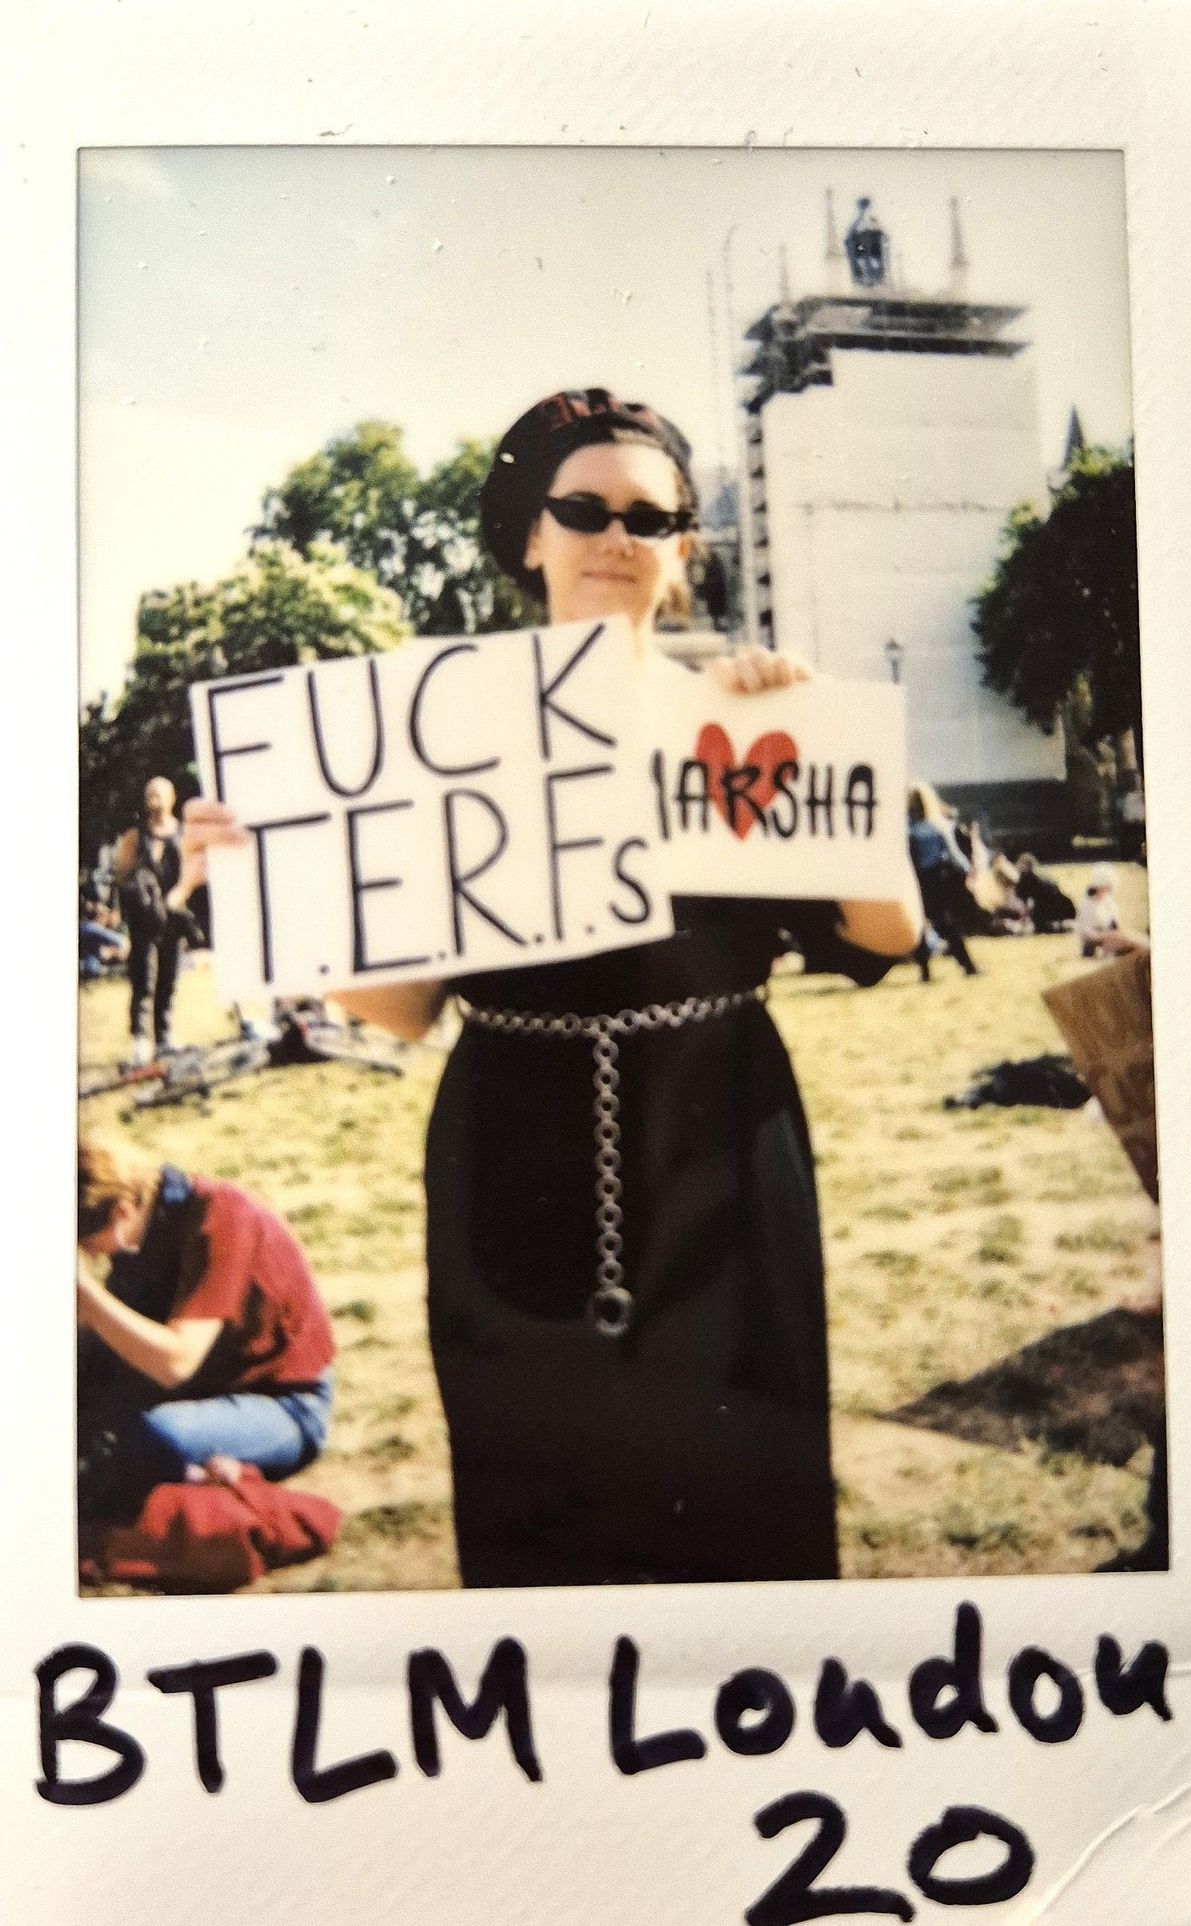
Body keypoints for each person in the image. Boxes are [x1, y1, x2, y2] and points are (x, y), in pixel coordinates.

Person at [177, 387, 922, 1587]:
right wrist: (259, 885)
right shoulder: (443, 734)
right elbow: (411, 1008)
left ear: (684, 546)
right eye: (582, 509)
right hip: (508, 1157)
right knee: (543, 1519)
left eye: (650, 515)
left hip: (721, 1152)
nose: (614, 537)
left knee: (742, 1510)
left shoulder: (736, 721)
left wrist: (838, 765)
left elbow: (887, 937)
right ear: (533, 535)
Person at [77, 1134, 335, 1522]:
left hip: (284, 1403)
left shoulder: (223, 1216)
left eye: (90, 1245)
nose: (93, 1256)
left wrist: (86, 1295)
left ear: (122, 1212)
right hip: (211, 1387)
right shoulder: (147, 1226)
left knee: (153, 1436)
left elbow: (176, 1362)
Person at [114, 776, 192, 1064]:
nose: (154, 799)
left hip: (173, 920)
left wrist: (178, 899)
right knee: (143, 980)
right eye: (149, 794)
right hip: (143, 922)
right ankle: (139, 1041)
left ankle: (164, 1037)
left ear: (172, 798)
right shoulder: (135, 838)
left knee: (169, 980)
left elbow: (191, 876)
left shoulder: (183, 835)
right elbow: (121, 879)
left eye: (159, 794)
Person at [907, 782, 980, 980]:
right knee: (945, 924)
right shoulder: (935, 828)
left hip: (916, 880)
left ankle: (925, 972)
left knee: (919, 924)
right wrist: (968, 870)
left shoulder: (907, 832)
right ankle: (967, 964)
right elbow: (953, 855)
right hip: (936, 879)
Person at [1014, 853, 1076, 935]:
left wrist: (1021, 928)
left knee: (1039, 928)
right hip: (1064, 909)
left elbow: (1024, 907)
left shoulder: (1024, 880)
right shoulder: (1044, 877)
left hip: (1046, 910)